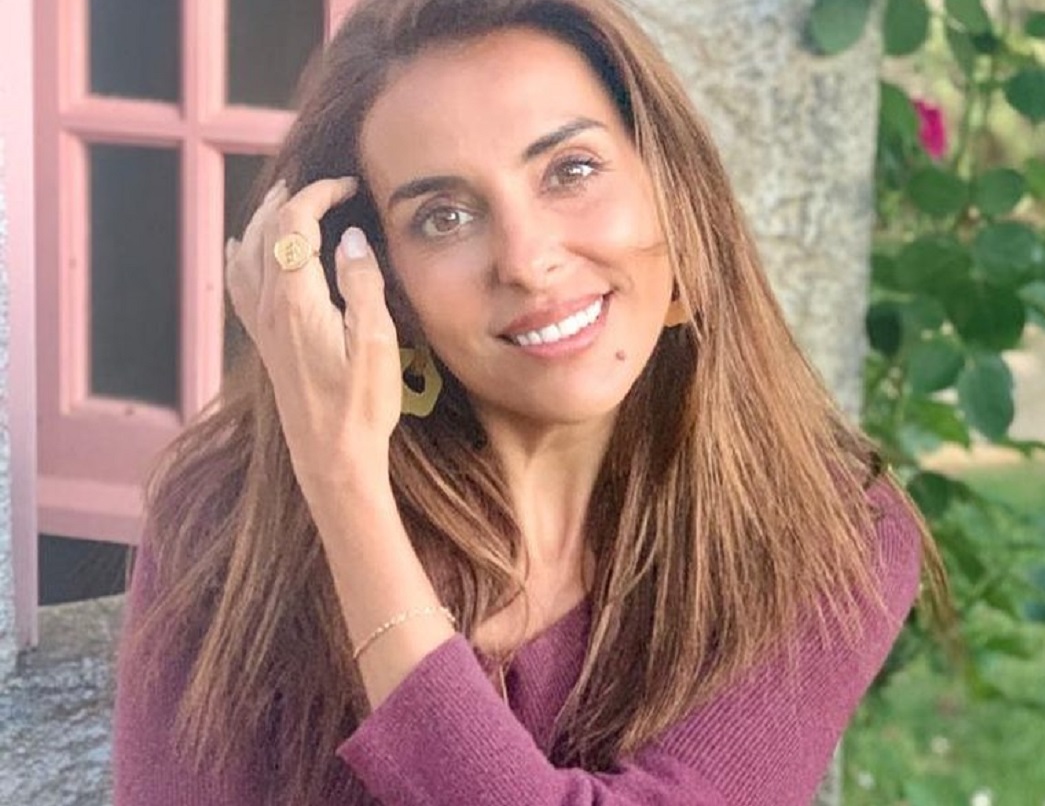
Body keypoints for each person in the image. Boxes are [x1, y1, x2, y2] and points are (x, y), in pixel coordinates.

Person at [113, 0, 944, 803]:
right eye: (443, 216)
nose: (526, 260)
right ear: (382, 283)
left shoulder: (833, 532)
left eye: (570, 170)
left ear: (673, 191)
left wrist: (343, 491)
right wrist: (338, 480)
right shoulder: (227, 519)